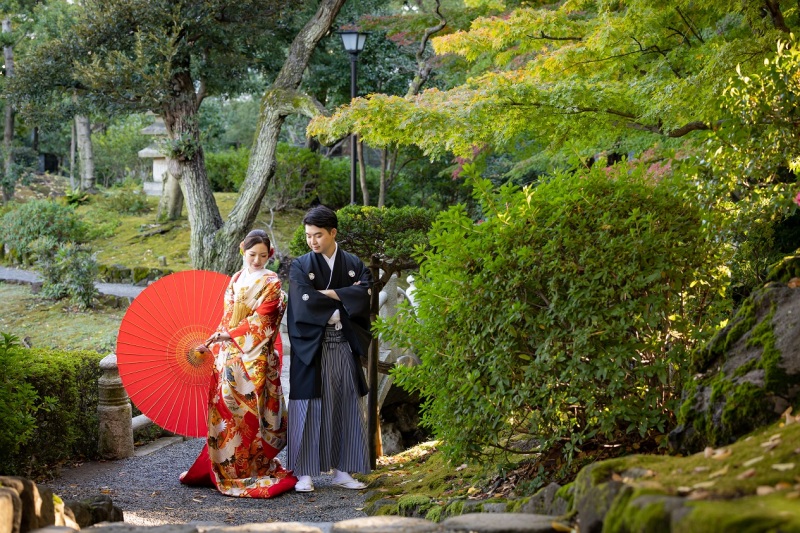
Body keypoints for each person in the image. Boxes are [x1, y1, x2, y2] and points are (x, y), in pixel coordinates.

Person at [180, 229, 297, 498]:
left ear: (271, 255)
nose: (257, 260)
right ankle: (225, 467)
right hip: (227, 355)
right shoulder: (235, 278)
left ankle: (249, 469)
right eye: (252, 254)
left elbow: (265, 320)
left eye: (263, 255)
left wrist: (231, 334)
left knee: (248, 415)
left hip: (253, 358)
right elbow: (227, 316)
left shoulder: (272, 282)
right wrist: (213, 341)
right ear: (242, 250)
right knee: (223, 410)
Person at [286, 205, 372, 492]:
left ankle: (343, 470)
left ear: (333, 232)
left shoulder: (353, 263)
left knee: (344, 403)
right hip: (311, 343)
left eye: (318, 235)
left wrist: (326, 295)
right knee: (309, 406)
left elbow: (364, 293)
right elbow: (301, 301)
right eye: (309, 235)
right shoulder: (301, 265)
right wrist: (343, 298)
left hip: (342, 342)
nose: (312, 241)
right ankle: (304, 472)